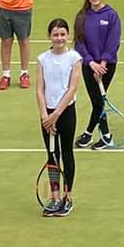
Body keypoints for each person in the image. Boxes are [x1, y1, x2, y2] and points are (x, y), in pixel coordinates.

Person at [37, 16, 83, 215]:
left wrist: (55, 114)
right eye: (55, 34)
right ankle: (54, 197)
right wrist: (44, 116)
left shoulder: (75, 58)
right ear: (49, 36)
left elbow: (72, 89)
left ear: (68, 35)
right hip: (47, 116)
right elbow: (39, 89)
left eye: (62, 34)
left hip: (65, 113)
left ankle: (68, 196)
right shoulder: (42, 59)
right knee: (51, 156)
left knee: (66, 154)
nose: (59, 38)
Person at [74, 0, 123, 149]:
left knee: (98, 102)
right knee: (97, 101)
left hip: (107, 66)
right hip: (89, 67)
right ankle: (99, 135)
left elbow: (114, 40)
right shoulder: (82, 16)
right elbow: (79, 43)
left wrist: (102, 63)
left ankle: (96, 134)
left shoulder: (112, 15)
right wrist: (91, 63)